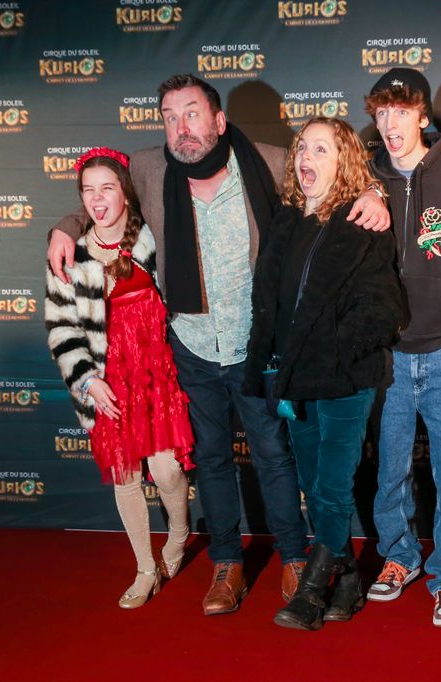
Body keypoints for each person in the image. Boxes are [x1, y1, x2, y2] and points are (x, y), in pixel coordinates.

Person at [47, 74, 391, 616]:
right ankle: (227, 562)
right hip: (189, 344)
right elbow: (99, 195)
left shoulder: (273, 161)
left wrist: (374, 193)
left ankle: (296, 557)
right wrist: (64, 227)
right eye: (169, 116)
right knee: (210, 458)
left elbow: (334, 175)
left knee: (275, 456)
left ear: (218, 121)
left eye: (191, 113)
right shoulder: (149, 167)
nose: (180, 127)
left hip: (255, 343)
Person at [244, 117, 403, 631]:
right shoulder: (287, 220)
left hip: (343, 381)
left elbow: (383, 308)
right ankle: (351, 580)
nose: (307, 159)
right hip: (294, 380)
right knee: (315, 485)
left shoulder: (364, 221)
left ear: (344, 162)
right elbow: (271, 302)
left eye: (321, 149)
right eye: (302, 149)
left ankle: (312, 593)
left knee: (332, 488)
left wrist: (332, 350)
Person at [44, 147, 195, 609]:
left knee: (167, 469)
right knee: (126, 476)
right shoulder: (71, 255)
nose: (97, 199)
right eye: (88, 191)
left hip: (158, 371)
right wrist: (88, 381)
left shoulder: (153, 238)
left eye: (107, 187)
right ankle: (145, 569)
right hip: (108, 380)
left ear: (126, 194)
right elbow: (61, 326)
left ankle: (179, 531)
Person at [363, 68, 441, 628]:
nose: (390, 124)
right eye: (380, 113)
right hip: (389, 355)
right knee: (389, 467)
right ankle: (399, 558)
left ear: (421, 116)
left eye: (400, 112)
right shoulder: (366, 179)